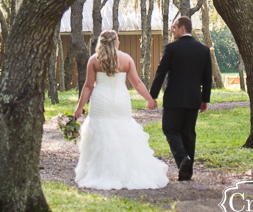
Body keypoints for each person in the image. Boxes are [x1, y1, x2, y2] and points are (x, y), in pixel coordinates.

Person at [73, 29, 169, 190]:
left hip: (100, 101)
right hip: (120, 101)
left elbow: (88, 86)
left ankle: (101, 172)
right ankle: (125, 171)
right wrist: (149, 99)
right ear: (116, 41)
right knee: (123, 130)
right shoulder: (126, 59)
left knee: (100, 132)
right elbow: (137, 83)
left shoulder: (94, 60)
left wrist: (79, 108)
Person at [148, 16, 212, 181]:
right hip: (193, 99)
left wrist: (152, 96)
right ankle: (186, 173)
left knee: (170, 129)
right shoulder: (204, 50)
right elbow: (207, 78)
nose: (172, 30)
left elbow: (161, 73)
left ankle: (183, 158)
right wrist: (205, 99)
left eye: (174, 27)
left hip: (174, 99)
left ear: (183, 28)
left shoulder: (172, 48)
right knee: (188, 133)